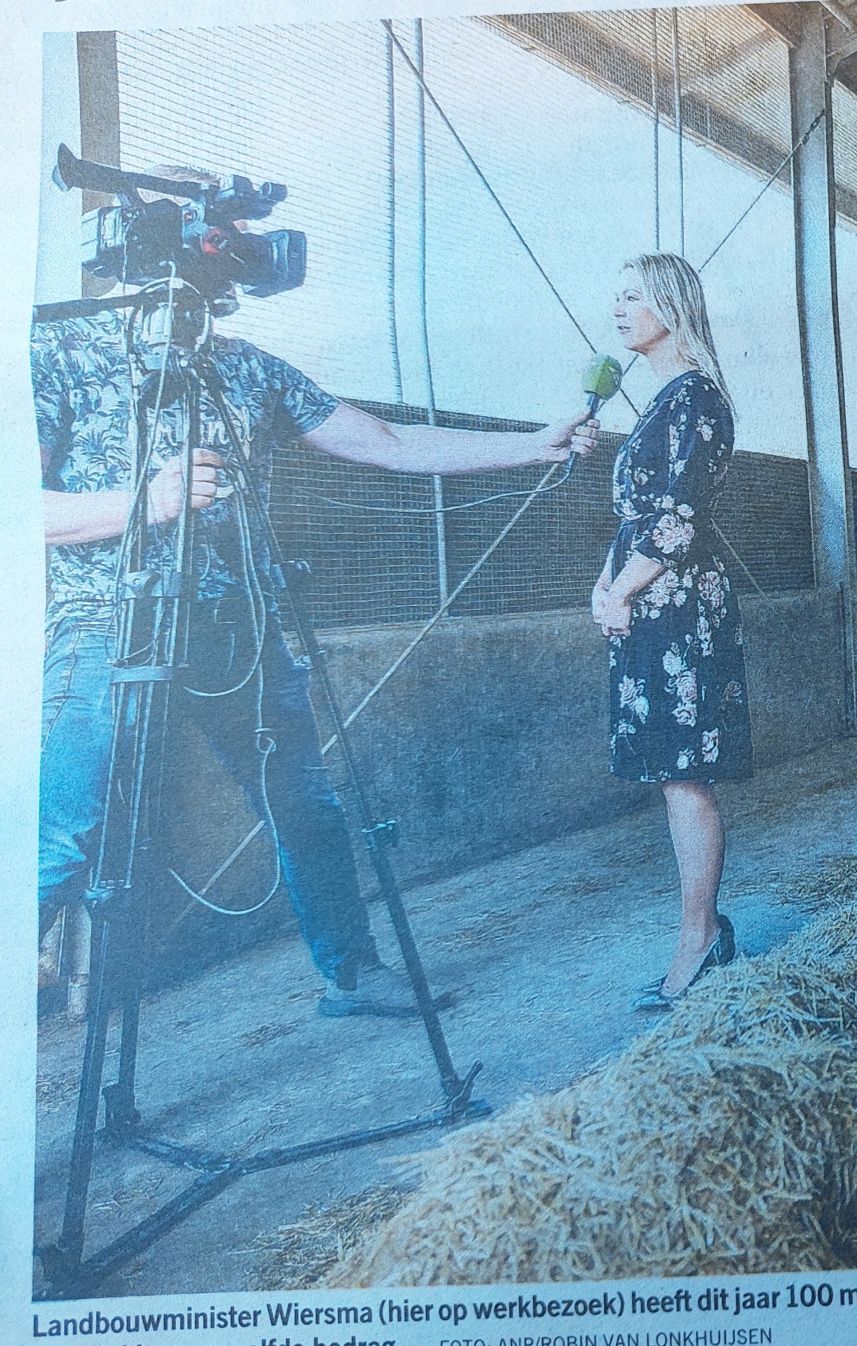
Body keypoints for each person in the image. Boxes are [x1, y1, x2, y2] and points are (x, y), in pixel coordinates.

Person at [36, 165, 598, 1019]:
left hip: (241, 626)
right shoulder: (59, 353)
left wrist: (530, 446)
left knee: (304, 804)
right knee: (59, 836)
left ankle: (354, 973)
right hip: (106, 626)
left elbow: (382, 440)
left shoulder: (249, 368)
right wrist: (143, 503)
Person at [590, 254, 752, 1013]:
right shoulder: (661, 399)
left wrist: (621, 589)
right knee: (671, 773)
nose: (618, 309)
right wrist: (606, 585)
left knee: (687, 774)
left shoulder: (695, 398)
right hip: (648, 599)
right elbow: (639, 518)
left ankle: (699, 938)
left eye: (632, 296)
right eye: (616, 297)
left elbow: (679, 519)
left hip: (677, 601)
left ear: (670, 305)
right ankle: (702, 931)